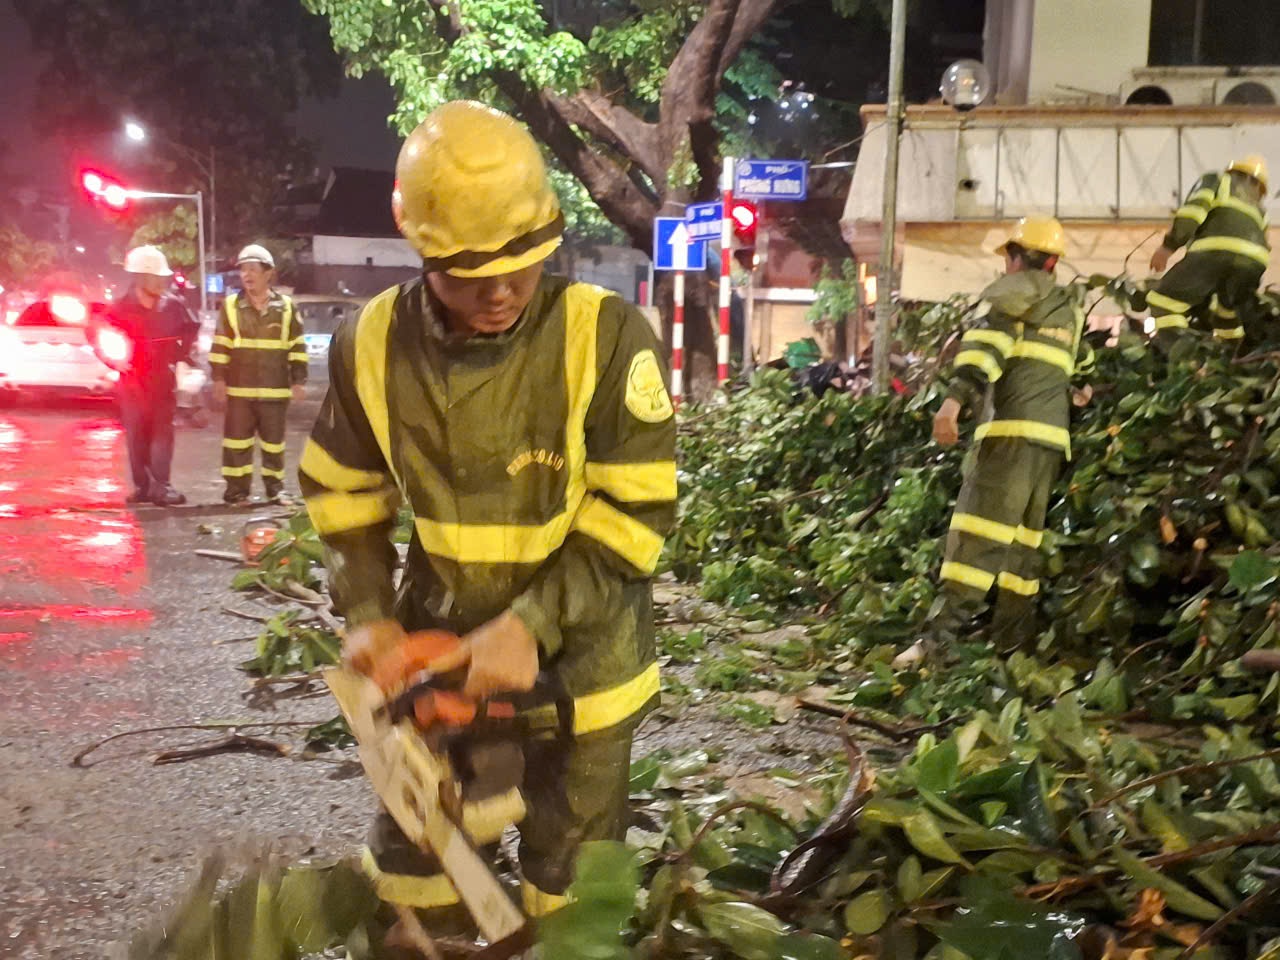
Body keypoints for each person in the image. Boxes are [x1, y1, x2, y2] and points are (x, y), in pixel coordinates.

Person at [298, 100, 676, 938]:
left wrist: (532, 626)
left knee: (571, 892)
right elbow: (343, 495)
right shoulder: (369, 344)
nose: (501, 290)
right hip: (440, 668)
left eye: (524, 262)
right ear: (423, 250)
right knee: (421, 873)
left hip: (586, 671)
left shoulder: (606, 339)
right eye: (470, 273)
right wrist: (367, 614)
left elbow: (635, 513)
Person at [912, 216, 1091, 658]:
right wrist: (1080, 390)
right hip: (1050, 442)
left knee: (978, 534)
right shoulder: (1069, 309)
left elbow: (984, 352)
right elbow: (1076, 370)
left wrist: (952, 405)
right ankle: (1012, 648)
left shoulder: (1013, 295)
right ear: (1053, 261)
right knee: (1021, 545)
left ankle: (936, 645)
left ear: (1016, 257)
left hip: (1009, 436)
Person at [208, 244, 306, 504]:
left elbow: (297, 346)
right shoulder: (231, 306)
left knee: (274, 444)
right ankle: (236, 491)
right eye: (243, 270)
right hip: (239, 391)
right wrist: (218, 378)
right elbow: (220, 345)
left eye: (253, 269)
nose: (247, 275)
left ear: (268, 273)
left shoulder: (286, 308)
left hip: (275, 391)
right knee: (236, 444)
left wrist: (299, 381)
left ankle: (276, 489)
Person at [102, 245, 199, 506]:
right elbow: (99, 336)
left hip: (161, 379)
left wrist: (182, 354)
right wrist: (112, 359)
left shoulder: (173, 305)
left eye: (162, 277)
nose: (161, 282)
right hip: (132, 381)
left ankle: (162, 487)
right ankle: (143, 487)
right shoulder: (120, 309)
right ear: (141, 277)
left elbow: (191, 329)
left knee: (162, 434)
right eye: (156, 277)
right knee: (136, 435)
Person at [1146, 155, 1271, 345]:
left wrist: (1168, 246)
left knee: (1163, 301)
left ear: (1233, 172)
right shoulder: (1261, 210)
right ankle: (1232, 363)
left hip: (1215, 252)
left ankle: (1186, 361)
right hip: (1254, 264)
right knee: (1228, 315)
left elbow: (1193, 213)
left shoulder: (1218, 180)